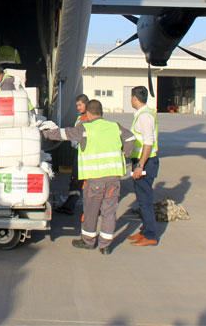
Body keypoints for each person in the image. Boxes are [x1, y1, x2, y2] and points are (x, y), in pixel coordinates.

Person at [40, 99, 135, 255]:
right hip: (114, 179)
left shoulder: (85, 129)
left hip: (95, 179)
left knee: (91, 211)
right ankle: (105, 245)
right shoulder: (114, 127)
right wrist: (126, 154)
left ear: (89, 113)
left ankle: (89, 241)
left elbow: (64, 134)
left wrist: (46, 133)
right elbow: (131, 138)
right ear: (102, 113)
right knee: (109, 212)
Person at [128, 85, 160, 246]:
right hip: (143, 161)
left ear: (135, 98)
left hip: (146, 162)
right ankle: (145, 231)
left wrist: (140, 165)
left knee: (145, 200)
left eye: (131, 97)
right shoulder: (143, 114)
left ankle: (150, 235)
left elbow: (148, 143)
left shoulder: (144, 117)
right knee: (141, 199)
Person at [56, 93, 89, 215]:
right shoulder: (82, 117)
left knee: (76, 180)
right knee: (76, 181)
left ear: (86, 104)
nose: (78, 108)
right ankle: (70, 205)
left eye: (80, 105)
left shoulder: (86, 119)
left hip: (82, 154)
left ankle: (70, 206)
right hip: (79, 152)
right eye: (77, 105)